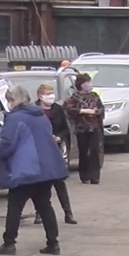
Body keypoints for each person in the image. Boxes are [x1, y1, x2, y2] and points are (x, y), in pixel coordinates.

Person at [0, 85, 67, 256]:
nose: (8, 103)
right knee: (45, 205)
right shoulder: (41, 116)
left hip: (26, 169)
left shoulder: (15, 118)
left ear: (13, 100)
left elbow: (7, 145)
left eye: (9, 100)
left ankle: (9, 243)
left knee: (15, 206)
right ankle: (53, 243)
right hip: (45, 169)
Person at [33, 83, 76, 225]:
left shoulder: (57, 109)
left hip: (55, 149)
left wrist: (59, 136)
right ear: (40, 96)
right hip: (39, 150)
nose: (51, 96)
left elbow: (65, 128)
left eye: (52, 93)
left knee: (59, 182)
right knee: (41, 184)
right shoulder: (34, 110)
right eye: (47, 93)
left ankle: (68, 213)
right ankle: (39, 213)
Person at [66, 73, 104, 184]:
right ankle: (84, 175)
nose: (89, 84)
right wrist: (83, 111)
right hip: (81, 128)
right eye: (87, 82)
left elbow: (101, 108)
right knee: (83, 151)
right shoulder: (75, 97)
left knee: (94, 150)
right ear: (81, 84)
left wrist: (96, 112)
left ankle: (95, 176)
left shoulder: (94, 96)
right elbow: (69, 109)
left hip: (94, 127)